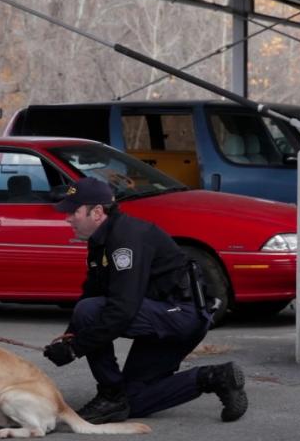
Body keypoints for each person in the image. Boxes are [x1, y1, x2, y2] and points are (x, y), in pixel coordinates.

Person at [43, 177, 247, 424]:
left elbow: (122, 310)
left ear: (97, 212)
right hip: (163, 316)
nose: (67, 218)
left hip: (180, 316)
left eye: (73, 211)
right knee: (134, 401)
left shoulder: (125, 240)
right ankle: (215, 377)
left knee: (91, 311)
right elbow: (92, 290)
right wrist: (69, 338)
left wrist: (76, 348)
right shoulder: (101, 240)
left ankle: (110, 395)